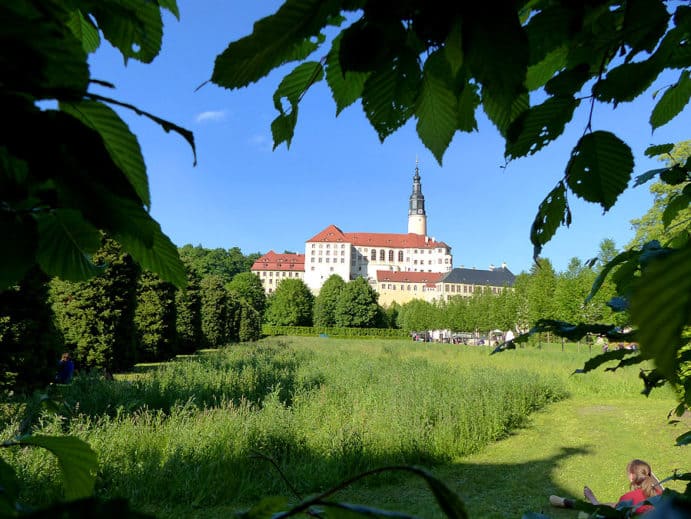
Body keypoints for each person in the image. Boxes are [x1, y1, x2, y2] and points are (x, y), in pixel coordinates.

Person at [550, 459, 663, 515]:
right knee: (613, 504)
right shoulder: (662, 494)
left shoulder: (628, 499)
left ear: (632, 476)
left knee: (586, 515)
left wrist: (591, 498)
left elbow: (604, 514)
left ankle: (570, 502)